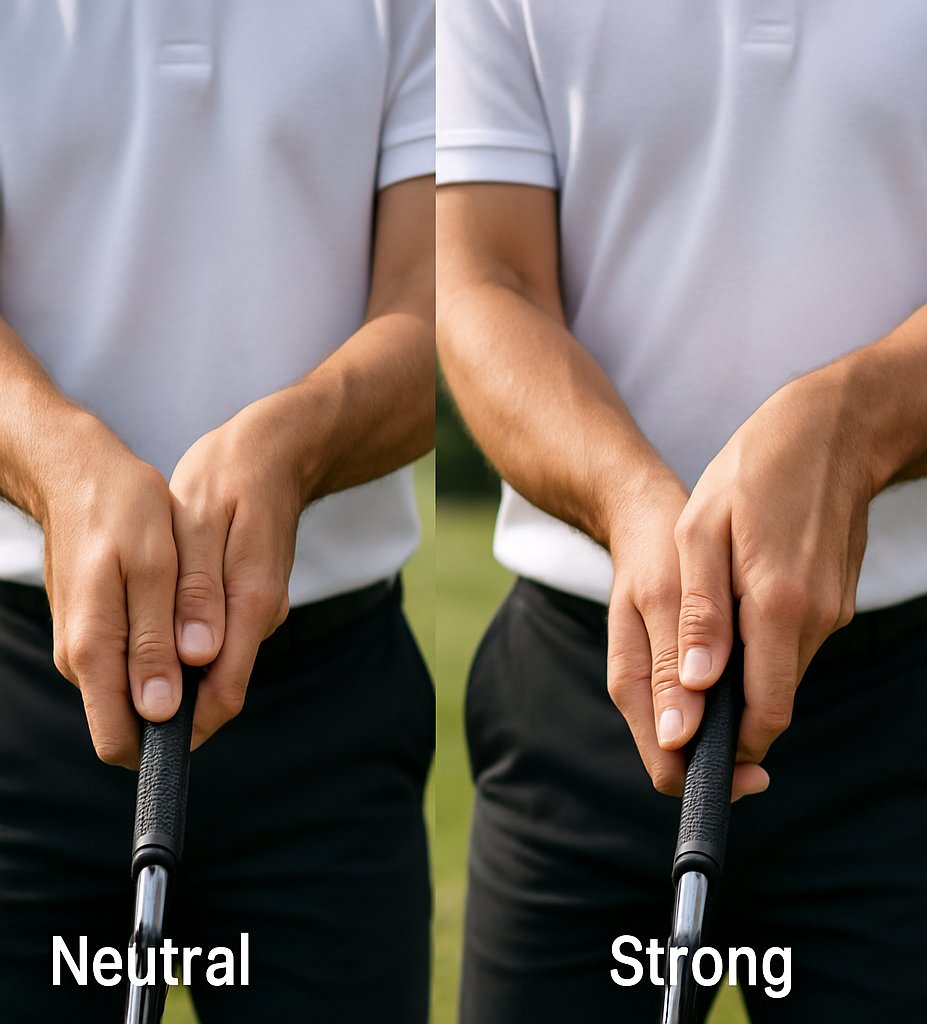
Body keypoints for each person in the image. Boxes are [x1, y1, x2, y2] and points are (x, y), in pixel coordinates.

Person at [437, 2, 927, 1019]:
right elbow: (483, 283)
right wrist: (629, 500)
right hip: (583, 690)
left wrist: (845, 426)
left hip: (894, 716)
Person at [0, 3, 435, 1019]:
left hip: (327, 714)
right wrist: (59, 466)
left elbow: (444, 298)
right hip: (20, 693)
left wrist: (295, 444)